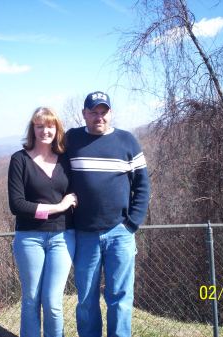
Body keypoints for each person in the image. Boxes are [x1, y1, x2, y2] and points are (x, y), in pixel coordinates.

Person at [66, 91, 150, 337]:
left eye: (103, 112)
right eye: (93, 112)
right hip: (84, 235)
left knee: (120, 298)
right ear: (84, 114)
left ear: (110, 113)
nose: (98, 117)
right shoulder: (72, 140)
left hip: (120, 233)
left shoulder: (128, 142)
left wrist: (131, 224)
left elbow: (142, 186)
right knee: (86, 300)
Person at [8, 106, 77, 337]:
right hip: (29, 238)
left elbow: (77, 192)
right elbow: (17, 205)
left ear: (56, 129)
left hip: (63, 236)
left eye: (50, 126)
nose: (45, 131)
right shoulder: (19, 160)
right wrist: (57, 207)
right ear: (33, 129)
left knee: (53, 301)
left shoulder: (66, 159)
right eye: (40, 126)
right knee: (31, 299)